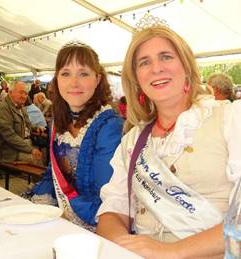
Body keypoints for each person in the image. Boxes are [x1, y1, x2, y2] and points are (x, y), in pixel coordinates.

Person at [96, 16, 241, 258]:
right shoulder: (132, 140)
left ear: (186, 66)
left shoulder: (230, 117)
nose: (156, 68)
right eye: (144, 62)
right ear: (137, 79)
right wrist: (122, 245)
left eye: (166, 56)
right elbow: (113, 210)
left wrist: (171, 251)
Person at [30, 42, 123, 232]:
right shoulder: (59, 121)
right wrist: (42, 202)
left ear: (97, 80)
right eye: (65, 74)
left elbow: (105, 197)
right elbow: (52, 174)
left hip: (98, 226)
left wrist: (64, 213)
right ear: (57, 80)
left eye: (83, 73)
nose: (74, 83)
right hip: (63, 217)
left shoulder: (109, 125)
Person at [0, 81, 43, 165]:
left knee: (47, 153)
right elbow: (9, 136)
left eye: (26, 93)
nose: (24, 96)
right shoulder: (2, 108)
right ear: (10, 92)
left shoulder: (21, 107)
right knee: (37, 158)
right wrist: (31, 149)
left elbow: (27, 125)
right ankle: (42, 178)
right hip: (8, 151)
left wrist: (36, 128)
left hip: (24, 145)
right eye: (21, 93)